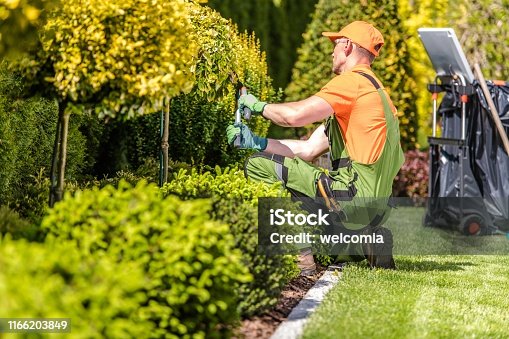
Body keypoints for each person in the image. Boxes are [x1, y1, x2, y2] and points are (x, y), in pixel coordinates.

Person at [226, 21, 405, 273]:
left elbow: (294, 117)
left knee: (257, 165)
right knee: (330, 247)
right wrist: (257, 142)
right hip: (375, 209)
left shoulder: (351, 83)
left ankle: (300, 258)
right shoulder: (377, 95)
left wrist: (258, 106)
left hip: (349, 199)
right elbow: (308, 150)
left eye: (335, 44)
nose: (331, 51)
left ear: (348, 46)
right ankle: (368, 240)